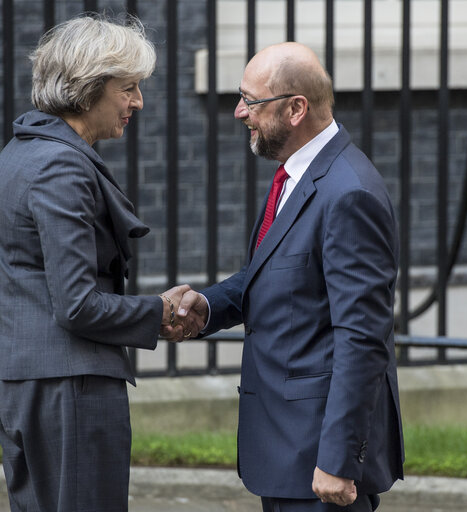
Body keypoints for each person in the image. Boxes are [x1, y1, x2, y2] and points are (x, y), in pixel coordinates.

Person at [170, 42, 404, 511]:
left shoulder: (349, 193)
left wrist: (337, 460)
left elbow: (362, 338)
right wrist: (208, 306)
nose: (239, 112)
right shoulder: (296, 174)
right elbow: (276, 273)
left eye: (251, 101)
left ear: (296, 108)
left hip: (319, 466)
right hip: (285, 453)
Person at [0, 15, 195, 512]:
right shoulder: (60, 166)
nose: (137, 102)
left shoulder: (21, 151)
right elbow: (76, 305)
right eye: (129, 89)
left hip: (24, 378)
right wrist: (157, 312)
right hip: (66, 385)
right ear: (87, 89)